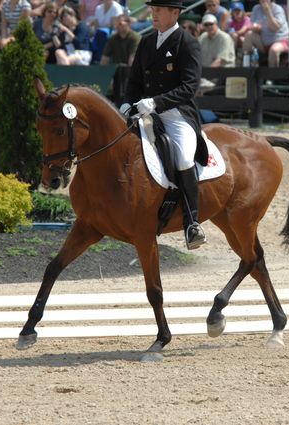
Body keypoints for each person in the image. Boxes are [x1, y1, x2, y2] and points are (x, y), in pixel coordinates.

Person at [121, 0, 207, 250]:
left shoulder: (187, 42)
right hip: (145, 109)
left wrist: (157, 102)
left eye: (158, 9)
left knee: (182, 156)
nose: (153, 13)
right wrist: (127, 103)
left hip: (176, 113)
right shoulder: (146, 42)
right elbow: (134, 81)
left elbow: (189, 87)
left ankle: (192, 223)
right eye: (152, 9)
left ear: (174, 12)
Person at [243, 0, 289, 67]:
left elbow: (274, 28)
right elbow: (251, 24)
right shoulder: (256, 8)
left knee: (274, 50)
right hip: (264, 41)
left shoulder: (277, 9)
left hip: (280, 40)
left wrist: (268, 12)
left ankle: (271, 76)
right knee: (249, 35)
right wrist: (254, 28)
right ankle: (246, 66)